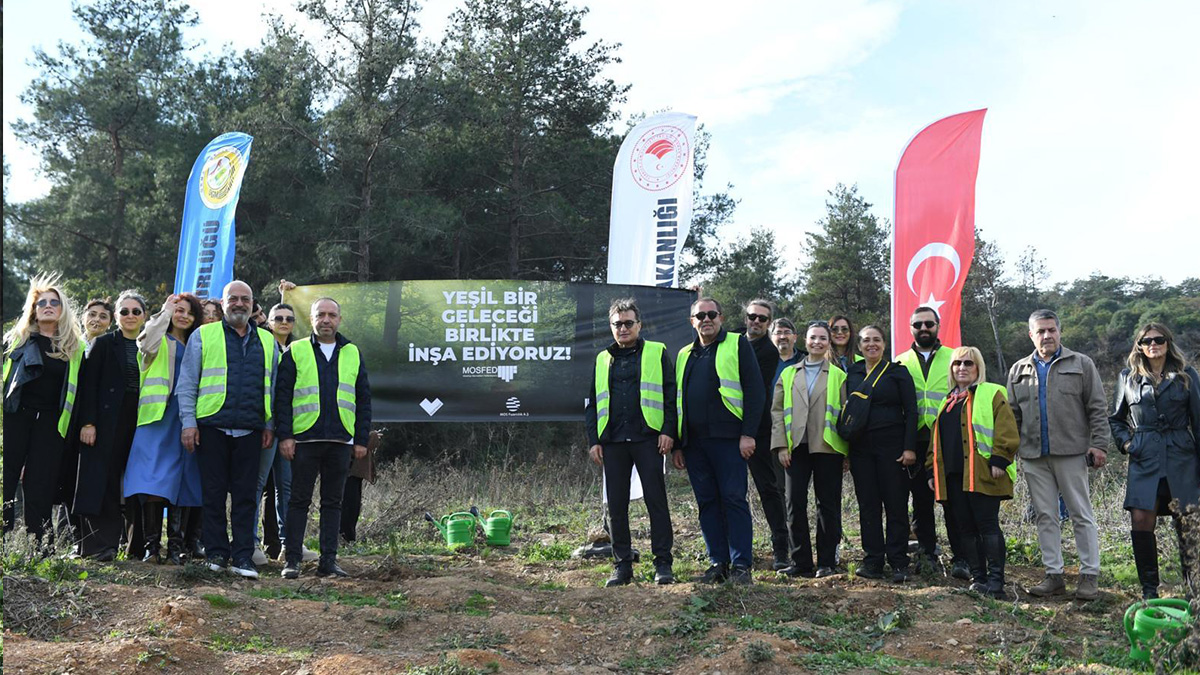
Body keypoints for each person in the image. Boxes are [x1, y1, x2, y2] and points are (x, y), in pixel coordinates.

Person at [177, 280, 279, 579]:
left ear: (252, 304)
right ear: (223, 304)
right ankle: (217, 554)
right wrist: (188, 423)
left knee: (246, 496)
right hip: (211, 427)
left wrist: (269, 424)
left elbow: (272, 387)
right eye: (233, 298)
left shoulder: (268, 341)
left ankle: (243, 556)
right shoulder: (203, 335)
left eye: (245, 299)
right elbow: (188, 383)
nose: (239, 303)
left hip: (251, 430)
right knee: (213, 494)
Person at [1007, 309, 1109, 600]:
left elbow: (1097, 407)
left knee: (1081, 514)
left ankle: (1089, 576)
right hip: (1033, 455)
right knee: (1045, 516)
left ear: (1059, 332)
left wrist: (1099, 445)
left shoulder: (1081, 364)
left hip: (1071, 452)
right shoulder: (1018, 370)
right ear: (1031, 335)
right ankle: (1054, 576)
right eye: (1040, 331)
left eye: (1051, 330)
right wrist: (1009, 452)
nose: (1047, 335)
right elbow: (1012, 416)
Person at [276, 297, 372, 579]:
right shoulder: (296, 351)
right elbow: (282, 397)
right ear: (312, 319)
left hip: (341, 440)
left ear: (339, 319)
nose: (326, 320)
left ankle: (328, 562)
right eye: (321, 315)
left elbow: (363, 399)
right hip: (304, 439)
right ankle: (292, 560)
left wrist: (361, 439)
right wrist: (285, 436)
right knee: (298, 501)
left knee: (333, 503)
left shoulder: (352, 352)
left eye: (331, 315)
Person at [585, 298, 678, 587]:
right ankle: (622, 566)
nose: (623, 328)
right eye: (617, 324)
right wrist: (594, 440)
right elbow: (593, 403)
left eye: (628, 323)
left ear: (639, 325)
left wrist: (668, 431)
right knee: (616, 507)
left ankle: (663, 564)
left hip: (648, 439)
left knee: (656, 503)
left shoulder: (657, 351)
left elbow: (671, 395)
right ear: (611, 327)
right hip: (613, 442)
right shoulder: (602, 359)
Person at [674, 298, 764, 585]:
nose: (706, 319)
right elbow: (677, 400)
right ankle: (718, 563)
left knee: (733, 499)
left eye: (711, 314)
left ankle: (741, 565)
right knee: (707, 502)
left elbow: (755, 390)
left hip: (729, 440)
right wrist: (678, 444)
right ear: (692, 322)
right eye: (700, 315)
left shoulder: (737, 344)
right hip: (694, 444)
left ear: (721, 318)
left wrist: (748, 434)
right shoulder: (684, 354)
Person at [1109, 323, 1200, 599]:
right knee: (1140, 519)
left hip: (1181, 456)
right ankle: (1150, 590)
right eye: (1147, 341)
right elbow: (1116, 419)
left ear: (1168, 342)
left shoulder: (1187, 375)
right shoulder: (1128, 378)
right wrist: (1127, 444)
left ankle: (1194, 590)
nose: (1153, 345)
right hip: (1144, 456)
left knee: (1187, 523)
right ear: (1139, 346)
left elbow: (1198, 420)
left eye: (1159, 339)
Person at [926, 346, 1019, 598]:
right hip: (954, 477)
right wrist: (931, 471)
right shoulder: (947, 401)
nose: (962, 368)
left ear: (978, 367)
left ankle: (996, 583)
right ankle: (979, 580)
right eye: (957, 363)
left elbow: (1007, 429)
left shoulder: (992, 393)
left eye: (968, 363)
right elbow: (936, 441)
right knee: (965, 528)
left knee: (987, 526)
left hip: (983, 473)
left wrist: (1000, 459)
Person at [122, 294, 205, 564]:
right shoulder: (159, 339)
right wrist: (165, 311)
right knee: (153, 480)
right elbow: (145, 343)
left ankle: (176, 547)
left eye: (189, 312)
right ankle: (152, 547)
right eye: (179, 310)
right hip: (157, 419)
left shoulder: (198, 342)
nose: (183, 316)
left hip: (188, 419)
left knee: (183, 480)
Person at [3, 275, 85, 544]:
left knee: (40, 484)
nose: (48, 306)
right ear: (33, 310)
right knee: (7, 477)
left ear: (62, 310)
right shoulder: (16, 340)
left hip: (52, 422)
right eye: (42, 303)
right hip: (17, 416)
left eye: (54, 302)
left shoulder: (75, 348)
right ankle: (4, 541)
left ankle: (40, 546)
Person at [74, 290, 149, 560]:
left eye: (136, 311)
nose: (130, 316)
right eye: (124, 311)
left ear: (144, 316)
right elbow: (88, 386)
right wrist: (88, 422)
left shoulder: (153, 345)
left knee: (138, 482)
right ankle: (101, 546)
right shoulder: (103, 344)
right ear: (116, 316)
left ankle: (137, 547)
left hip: (142, 420)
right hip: (108, 421)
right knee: (103, 481)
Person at [772, 321, 848, 578]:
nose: (817, 342)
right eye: (813, 337)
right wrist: (780, 446)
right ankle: (801, 562)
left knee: (827, 505)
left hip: (828, 447)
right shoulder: (788, 374)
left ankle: (826, 562)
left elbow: (846, 414)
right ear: (805, 340)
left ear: (829, 342)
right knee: (794, 503)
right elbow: (777, 412)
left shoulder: (839, 375)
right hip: (795, 447)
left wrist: (846, 452)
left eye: (822, 338)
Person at [845, 325, 918, 582]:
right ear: (859, 346)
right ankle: (873, 561)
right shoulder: (852, 372)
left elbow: (912, 411)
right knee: (868, 506)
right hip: (861, 450)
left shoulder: (898, 372)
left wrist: (909, 447)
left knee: (895, 505)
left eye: (876, 340)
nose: (871, 344)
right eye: (866, 340)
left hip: (893, 448)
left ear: (884, 344)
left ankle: (898, 562)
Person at [895, 306, 965, 577]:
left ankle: (962, 558)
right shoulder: (900, 361)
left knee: (953, 502)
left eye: (928, 324)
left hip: (948, 440)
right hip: (915, 440)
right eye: (918, 325)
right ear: (910, 328)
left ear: (938, 326)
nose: (923, 328)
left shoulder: (954, 357)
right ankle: (927, 556)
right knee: (921, 503)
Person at [251, 301, 317, 566]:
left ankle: (290, 545)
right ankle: (250, 544)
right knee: (257, 484)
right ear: (269, 322)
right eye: (278, 318)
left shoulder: (299, 350)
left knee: (287, 487)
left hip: (289, 427)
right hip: (265, 424)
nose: (284, 322)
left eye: (289, 318)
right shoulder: (260, 345)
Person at [741, 299, 790, 570]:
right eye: (752, 316)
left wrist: (748, 432)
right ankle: (735, 550)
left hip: (758, 430)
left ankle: (781, 548)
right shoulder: (733, 341)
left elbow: (752, 389)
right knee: (731, 493)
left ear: (769, 323)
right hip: (728, 428)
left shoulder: (769, 351)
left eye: (762, 319)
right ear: (745, 317)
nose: (756, 322)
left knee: (769, 489)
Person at [342, 429, 380, 544]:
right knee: (347, 505)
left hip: (353, 470)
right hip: (344, 466)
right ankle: (344, 539)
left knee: (353, 506)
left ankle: (347, 539)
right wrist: (368, 438)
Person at [769, 318, 802, 386]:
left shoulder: (804, 361)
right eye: (778, 333)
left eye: (787, 332)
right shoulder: (762, 361)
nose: (782, 337)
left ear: (795, 337)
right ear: (771, 338)